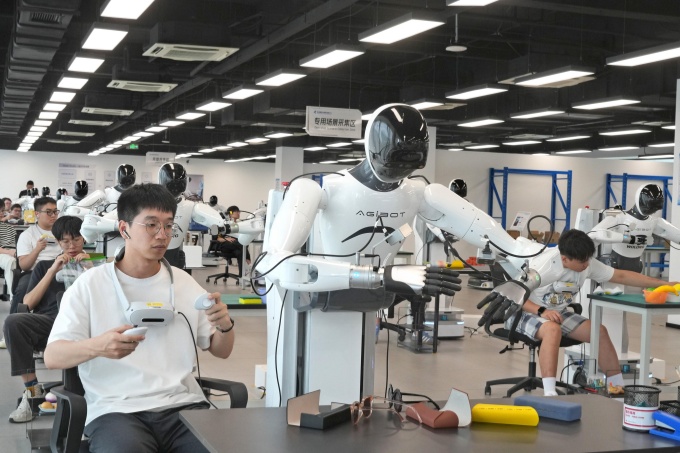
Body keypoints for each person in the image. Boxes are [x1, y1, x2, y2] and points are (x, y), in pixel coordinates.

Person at [45, 183, 235, 452]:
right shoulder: (90, 285)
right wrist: (99, 346)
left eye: (168, 226)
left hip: (182, 405)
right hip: (116, 410)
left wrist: (225, 326)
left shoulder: (184, 283)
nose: (162, 235)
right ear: (124, 229)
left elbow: (222, 351)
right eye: (151, 225)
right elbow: (53, 357)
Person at [502, 229, 678, 396]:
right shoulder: (542, 266)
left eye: (588, 260)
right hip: (522, 311)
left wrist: (663, 284)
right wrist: (541, 311)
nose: (586, 265)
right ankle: (550, 392)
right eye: (582, 262)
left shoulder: (585, 263)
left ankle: (617, 388)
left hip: (555, 313)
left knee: (599, 331)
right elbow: (513, 294)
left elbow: (621, 276)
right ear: (564, 259)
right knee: (552, 330)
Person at [4, 216, 88, 423]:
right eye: (65, 241)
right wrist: (52, 271)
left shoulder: (95, 265)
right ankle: (32, 391)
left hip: (87, 324)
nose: (71, 246)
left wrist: (90, 267)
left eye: (76, 240)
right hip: (52, 322)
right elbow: (28, 303)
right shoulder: (44, 267)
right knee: (13, 321)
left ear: (84, 239)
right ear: (58, 242)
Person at [13, 197, 62, 313]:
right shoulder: (27, 235)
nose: (53, 215)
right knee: (23, 287)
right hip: (33, 272)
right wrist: (37, 250)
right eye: (48, 212)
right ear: (37, 214)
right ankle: (15, 319)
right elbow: (24, 266)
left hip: (59, 270)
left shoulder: (62, 233)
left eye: (55, 211)